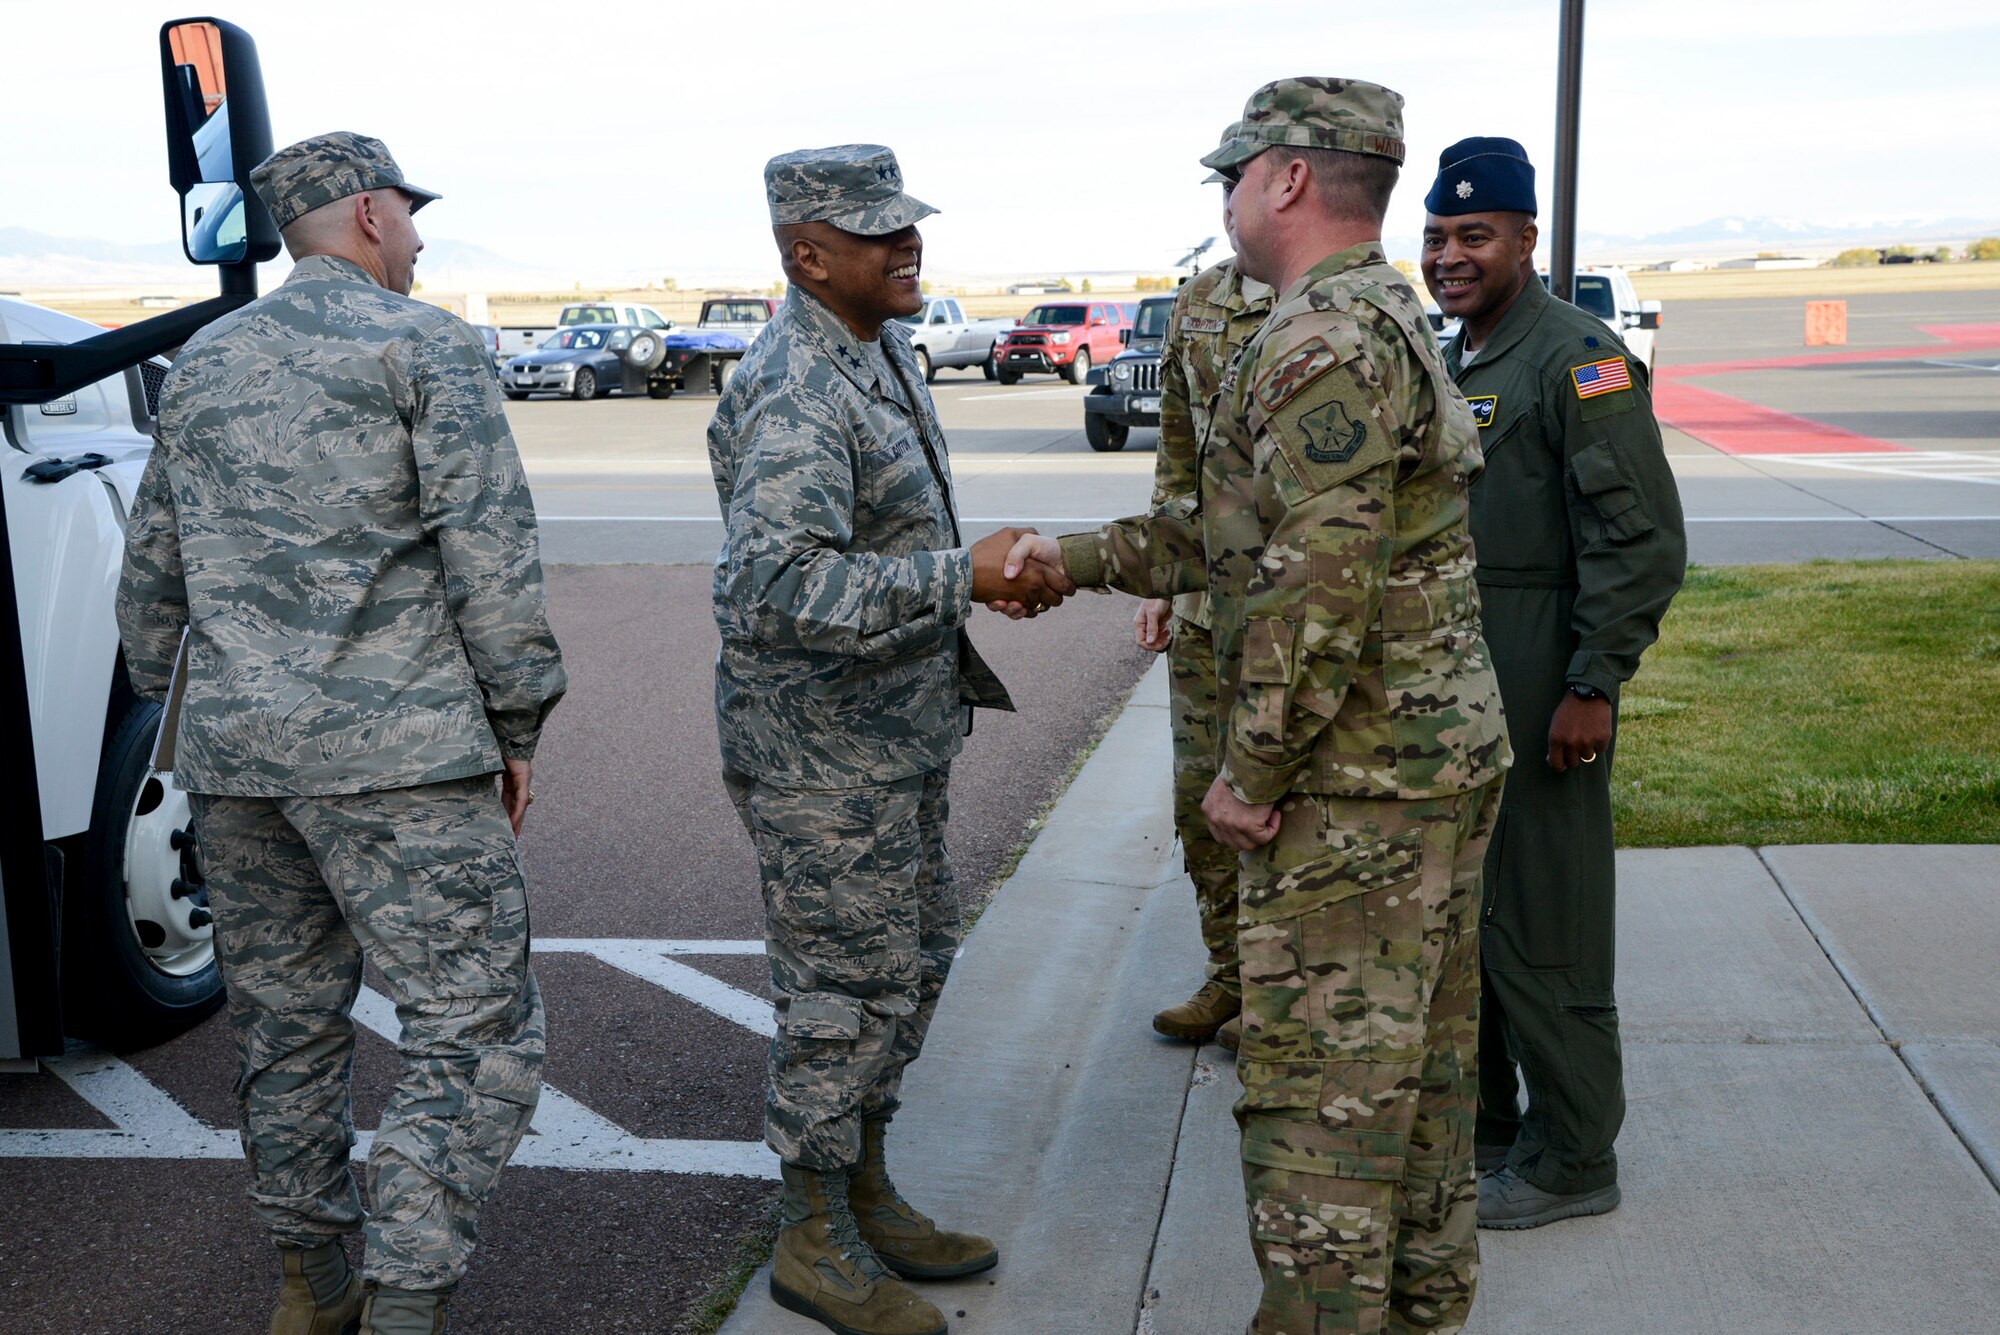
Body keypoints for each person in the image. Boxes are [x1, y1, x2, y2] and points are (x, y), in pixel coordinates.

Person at [1008, 78, 1511, 1334]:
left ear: (1285, 179)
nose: (1225, 201)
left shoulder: (1319, 340)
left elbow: (1314, 583)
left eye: (1232, 176)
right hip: (1419, 767)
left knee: (1322, 1104)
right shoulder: (1367, 315)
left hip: (1356, 789)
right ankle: (1420, 1306)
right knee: (1423, 1076)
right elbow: (1223, 529)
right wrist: (1060, 563)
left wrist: (1250, 774)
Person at [116, 132, 566, 1335]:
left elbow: (151, 571)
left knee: (286, 1026)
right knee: (476, 1025)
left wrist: (195, 708)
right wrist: (516, 719)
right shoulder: (422, 344)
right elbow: (490, 553)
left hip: (237, 762)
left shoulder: (203, 361)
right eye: (410, 218)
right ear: (367, 214)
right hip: (398, 756)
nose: (419, 240)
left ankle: (311, 1286)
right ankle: (408, 1298)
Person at [709, 144, 1071, 1335]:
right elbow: (768, 584)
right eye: (874, 232)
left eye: (906, 222)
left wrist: (962, 585)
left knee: (908, 967)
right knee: (837, 991)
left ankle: (862, 1184)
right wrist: (948, 577)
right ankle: (811, 1232)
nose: (906, 244)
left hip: (893, 731)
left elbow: (885, 546)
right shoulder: (795, 386)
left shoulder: (877, 350)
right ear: (806, 256)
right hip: (822, 753)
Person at [1420, 137, 1686, 1230]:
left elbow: (1638, 539)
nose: (1450, 255)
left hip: (1539, 676)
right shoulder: (1457, 355)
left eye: (1474, 236)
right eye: (1435, 236)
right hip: (1460, 678)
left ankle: (1574, 1154)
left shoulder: (1577, 357)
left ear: (1526, 238)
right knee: (1470, 915)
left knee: (1545, 918)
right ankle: (1490, 1132)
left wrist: (1593, 681)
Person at [1139, 144, 1274, 1051]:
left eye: (1243, 183)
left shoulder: (1329, 303)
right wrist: (1160, 578)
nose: (1231, 204)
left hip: (1295, 600)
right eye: (1221, 189)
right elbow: (1176, 460)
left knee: (1280, 799)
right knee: (1199, 798)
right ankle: (1228, 976)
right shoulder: (1198, 305)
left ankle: (1278, 992)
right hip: (1202, 608)